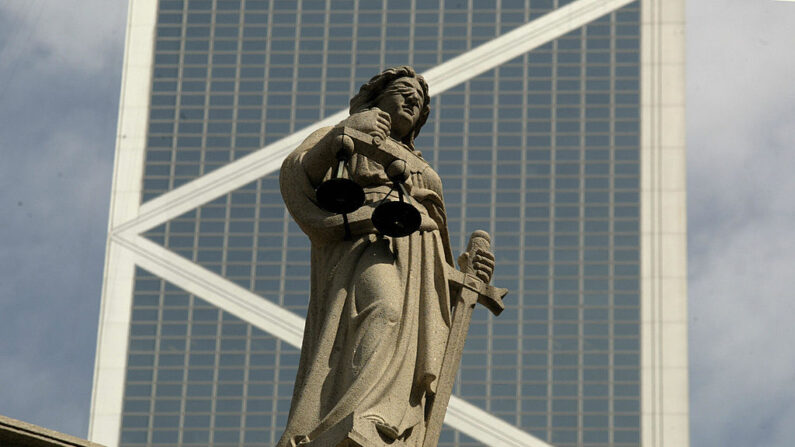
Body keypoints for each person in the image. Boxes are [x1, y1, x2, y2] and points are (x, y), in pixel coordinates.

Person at [278, 66, 493, 447]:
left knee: (410, 344)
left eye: (421, 100)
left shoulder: (425, 169)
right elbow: (300, 174)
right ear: (375, 99)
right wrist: (345, 133)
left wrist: (464, 275)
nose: (413, 99)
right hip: (368, 239)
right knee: (383, 310)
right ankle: (357, 411)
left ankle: (391, 418)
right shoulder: (348, 133)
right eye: (403, 91)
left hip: (420, 258)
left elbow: (438, 244)